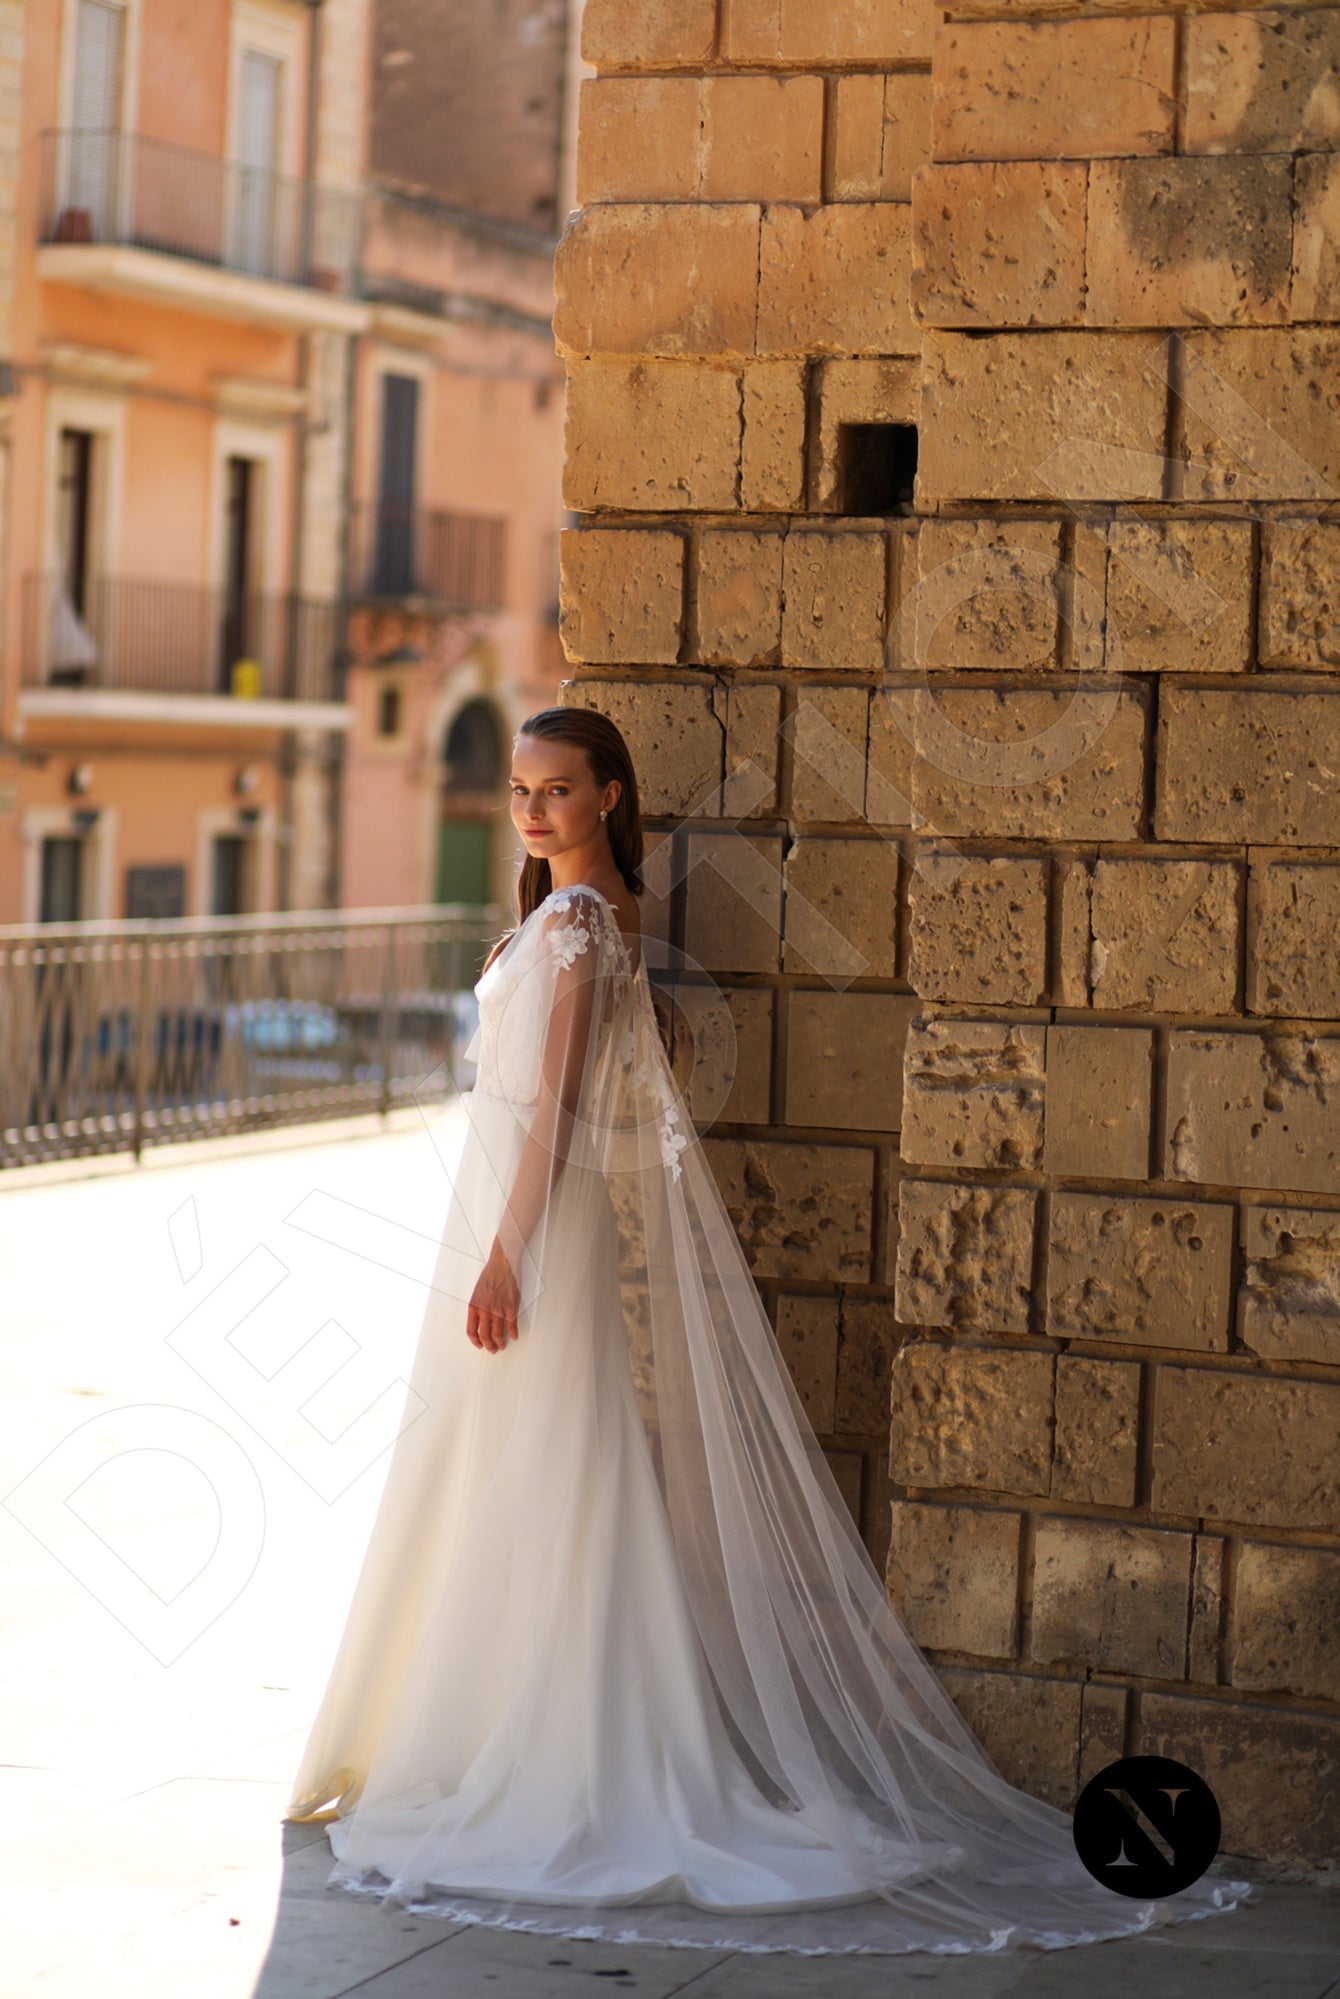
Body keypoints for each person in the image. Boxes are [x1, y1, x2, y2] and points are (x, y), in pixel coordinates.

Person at [283, 706, 1260, 1956]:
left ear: (610, 800)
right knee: (507, 1457)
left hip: (529, 1219)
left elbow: (566, 1108)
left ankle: (557, 1747)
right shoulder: (561, 914)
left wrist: (505, 1254)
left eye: (557, 789)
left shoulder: (582, 923)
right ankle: (483, 1724)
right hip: (506, 1211)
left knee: (542, 1453)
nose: (530, 808)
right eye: (521, 788)